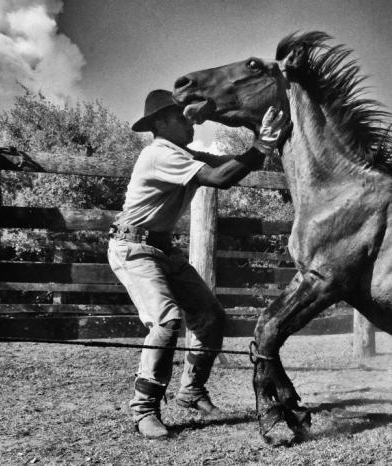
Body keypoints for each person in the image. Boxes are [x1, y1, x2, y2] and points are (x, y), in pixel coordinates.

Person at [108, 89, 288, 439]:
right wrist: (262, 146)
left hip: (161, 249)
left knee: (209, 316)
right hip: (133, 249)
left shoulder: (182, 152)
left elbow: (232, 167)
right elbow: (220, 179)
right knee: (166, 319)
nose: (188, 121)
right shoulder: (159, 154)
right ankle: (143, 408)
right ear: (160, 124)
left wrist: (258, 137)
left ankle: (191, 391)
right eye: (179, 117)